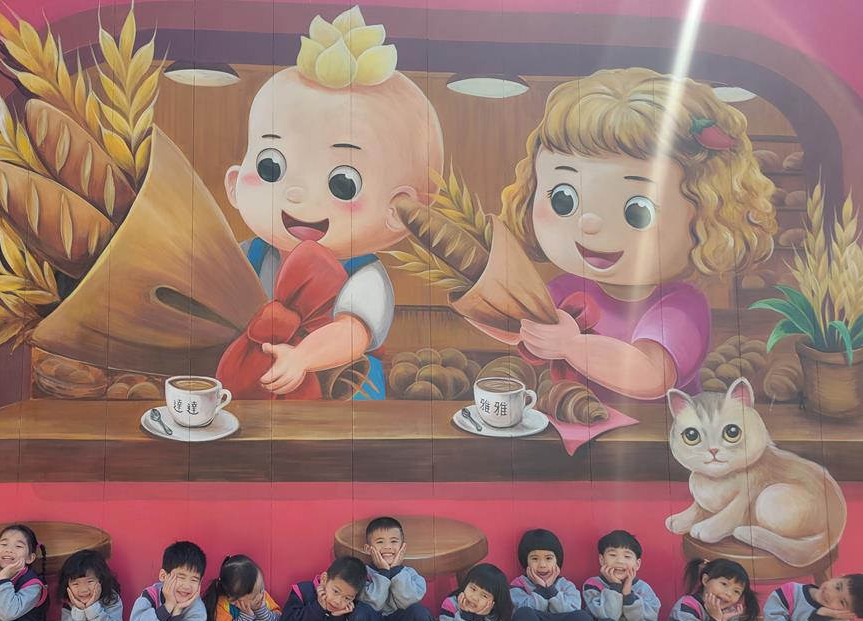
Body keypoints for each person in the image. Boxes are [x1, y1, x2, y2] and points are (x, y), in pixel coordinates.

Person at [466, 67, 776, 403]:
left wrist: (571, 345)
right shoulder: (565, 289)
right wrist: (476, 296)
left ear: (708, 215)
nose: (590, 224)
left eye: (637, 210)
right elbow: (519, 328)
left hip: (659, 431)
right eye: (563, 199)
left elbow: (652, 374)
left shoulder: (681, 306)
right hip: (576, 421)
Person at [218, 5, 444, 400]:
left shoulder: (365, 275)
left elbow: (352, 331)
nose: (297, 193)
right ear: (235, 184)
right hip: (251, 386)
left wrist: (303, 357)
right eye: (271, 167)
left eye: (343, 183)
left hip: (342, 394)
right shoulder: (248, 256)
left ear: (400, 212)